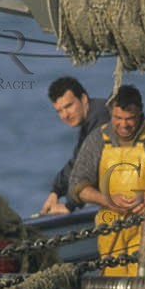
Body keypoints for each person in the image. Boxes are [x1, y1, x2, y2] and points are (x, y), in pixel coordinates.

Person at [68, 85, 145, 277]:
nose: (124, 124)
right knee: (113, 288)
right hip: (111, 227)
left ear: (140, 113)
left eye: (130, 119)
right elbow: (77, 186)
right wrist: (106, 200)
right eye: (118, 118)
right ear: (110, 114)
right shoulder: (97, 139)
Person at [38, 77, 110, 216]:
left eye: (69, 106)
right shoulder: (91, 117)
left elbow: (91, 165)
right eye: (59, 111)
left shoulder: (101, 118)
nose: (65, 115)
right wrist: (56, 191)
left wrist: (70, 206)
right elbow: (77, 161)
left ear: (83, 99)